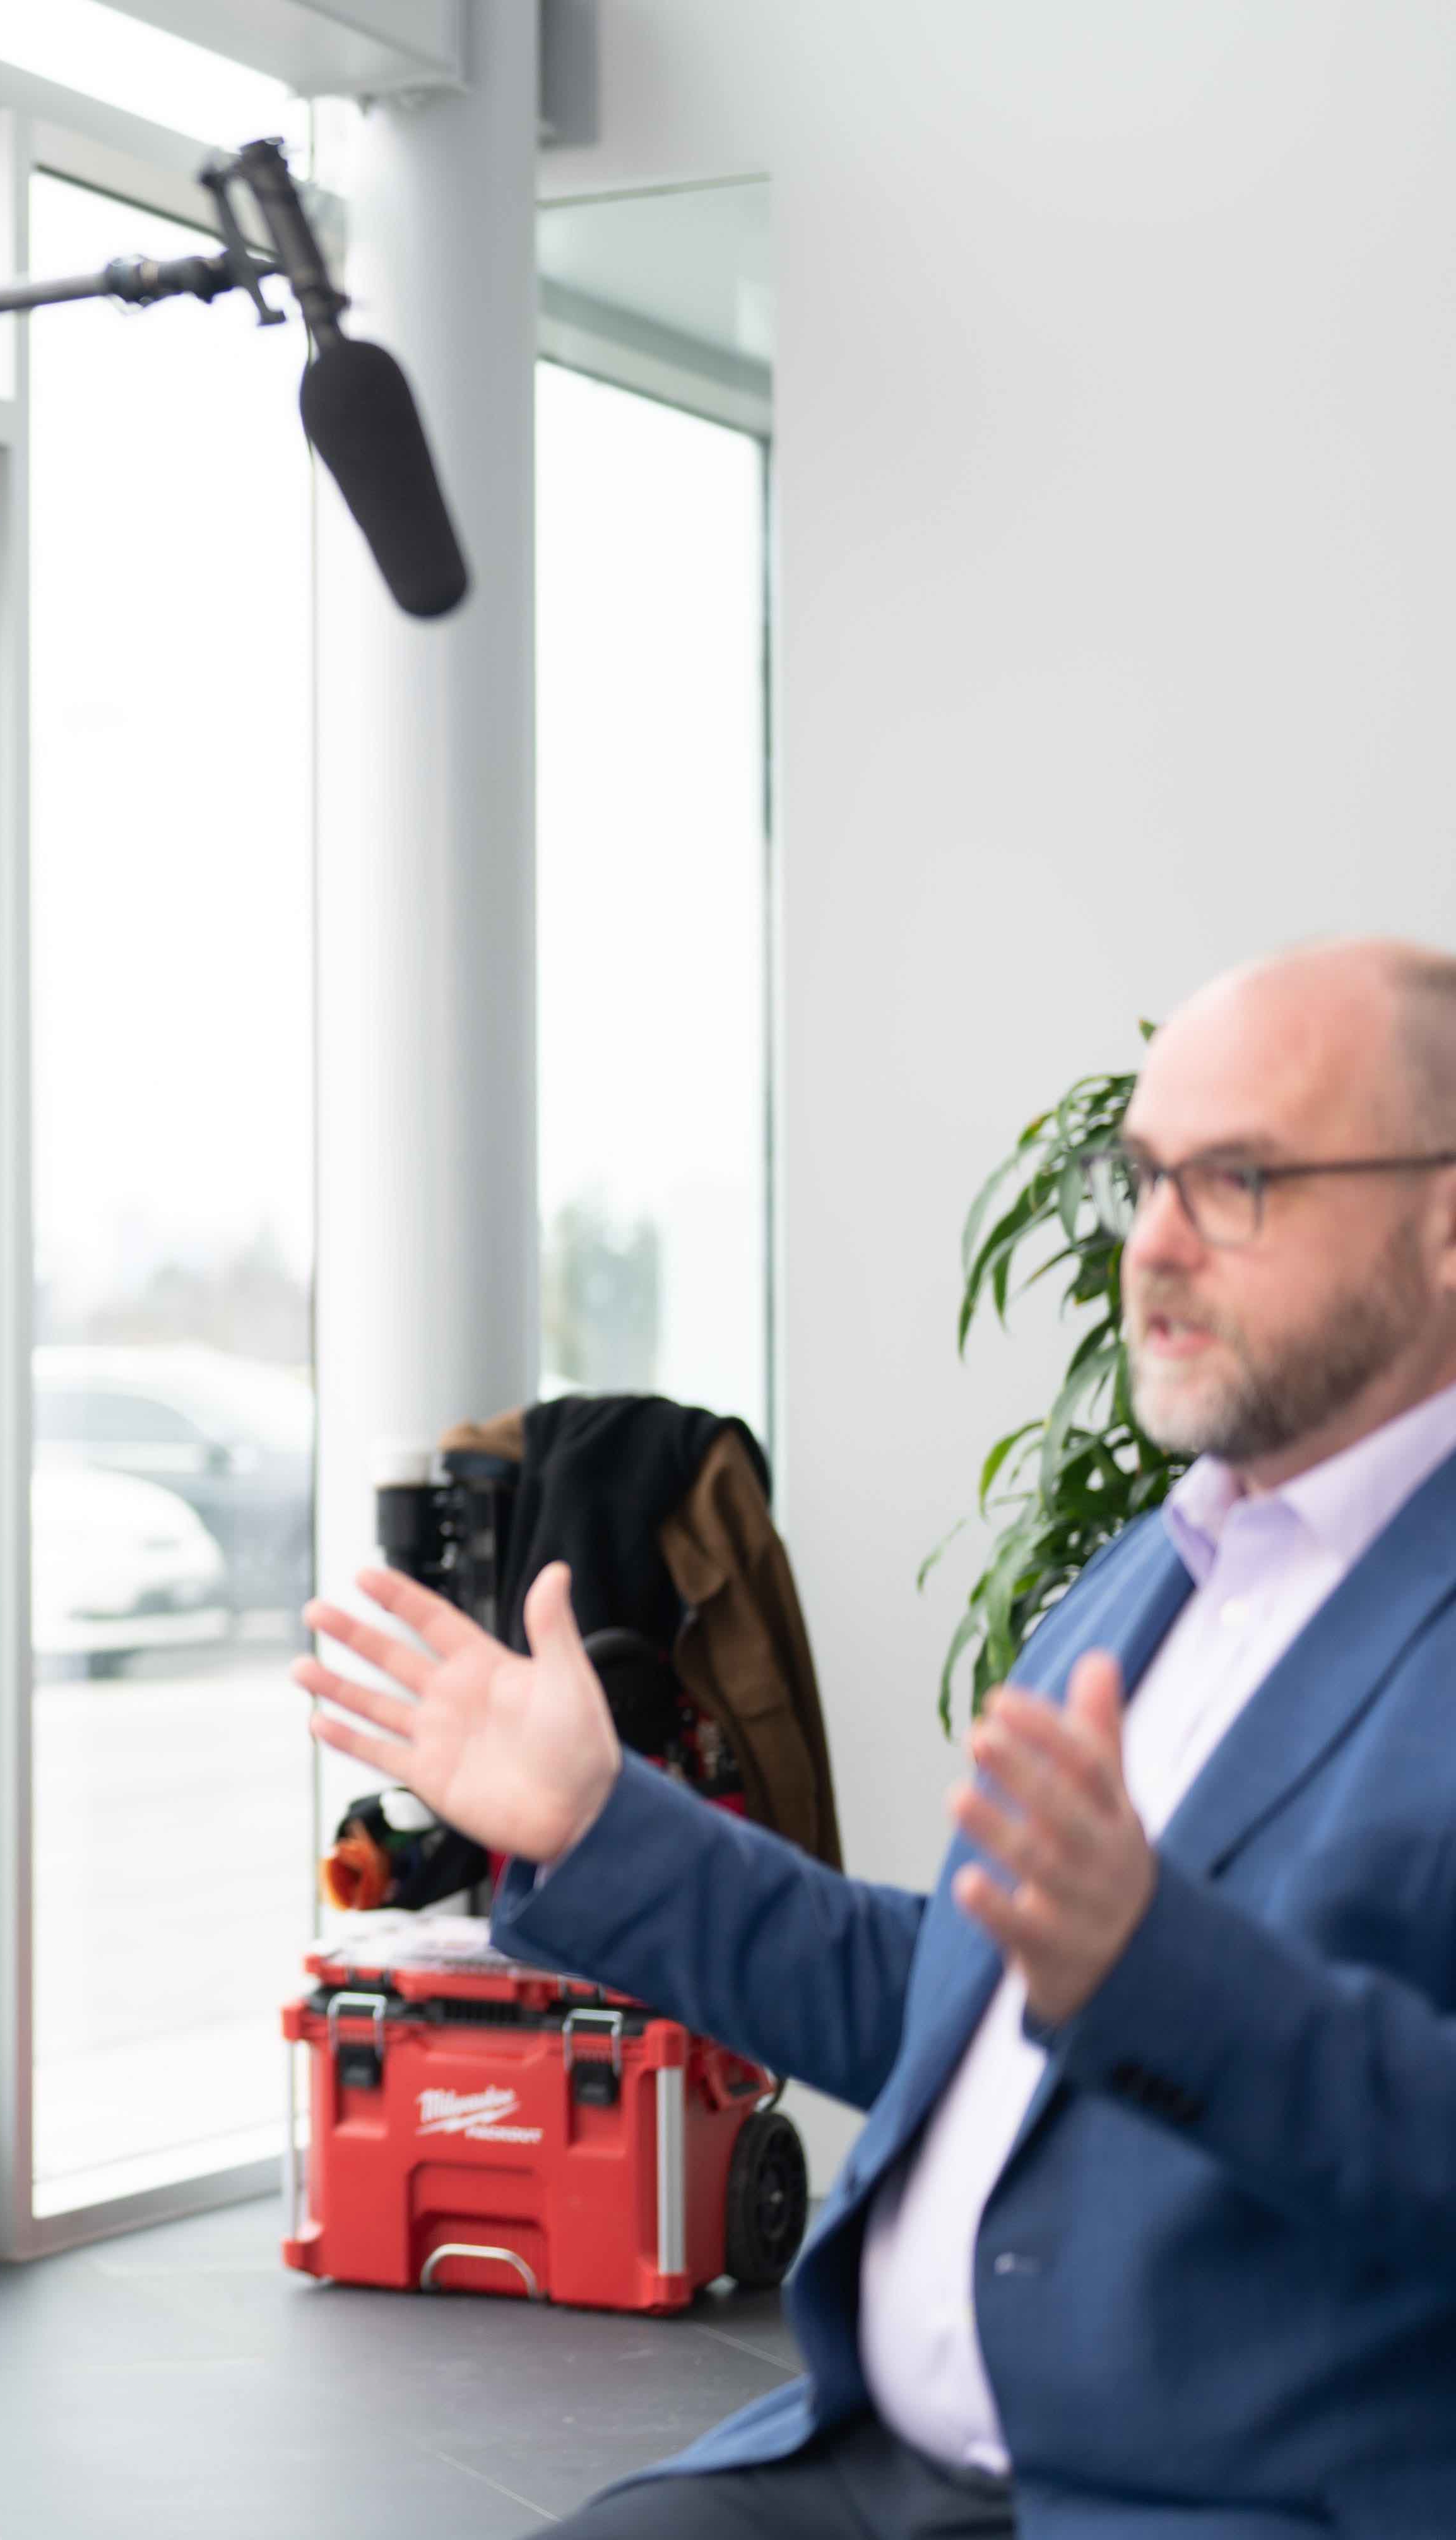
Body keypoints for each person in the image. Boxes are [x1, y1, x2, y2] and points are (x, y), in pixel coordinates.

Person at [296, 938, 1456, 2539]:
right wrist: (590, 1817)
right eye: (1144, 1179)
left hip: (1198, 2495)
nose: (1156, 1248)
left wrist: (1161, 1976)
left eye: (1239, 1178)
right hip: (868, 2464)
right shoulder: (1152, 1574)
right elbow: (945, 2001)